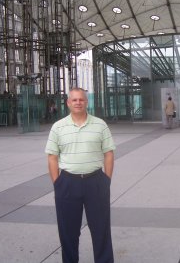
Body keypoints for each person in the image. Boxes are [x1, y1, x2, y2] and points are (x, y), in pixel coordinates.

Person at [45, 88, 115, 263]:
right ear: (68, 103)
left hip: (96, 181)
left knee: (101, 229)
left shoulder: (100, 125)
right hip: (68, 183)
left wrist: (106, 180)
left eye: (81, 100)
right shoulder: (58, 127)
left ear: (86, 102)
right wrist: (57, 183)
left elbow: (109, 153)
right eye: (74, 100)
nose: (78, 103)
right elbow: (52, 157)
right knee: (68, 231)